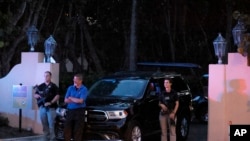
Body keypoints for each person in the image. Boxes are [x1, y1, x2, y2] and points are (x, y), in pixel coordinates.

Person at [34, 71, 60, 141]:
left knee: (51, 124)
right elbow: (35, 94)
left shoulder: (54, 86)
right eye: (45, 76)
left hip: (51, 108)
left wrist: (50, 102)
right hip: (42, 108)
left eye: (47, 76)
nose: (46, 77)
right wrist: (37, 96)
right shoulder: (41, 86)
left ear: (50, 76)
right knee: (44, 123)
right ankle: (46, 137)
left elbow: (57, 96)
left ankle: (52, 138)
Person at [64, 73, 88, 141]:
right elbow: (65, 100)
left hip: (79, 111)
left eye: (76, 80)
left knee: (78, 129)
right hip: (70, 110)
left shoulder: (84, 89)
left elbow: (80, 101)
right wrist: (75, 100)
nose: (74, 81)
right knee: (67, 127)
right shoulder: (70, 88)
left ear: (80, 81)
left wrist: (71, 98)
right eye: (74, 79)